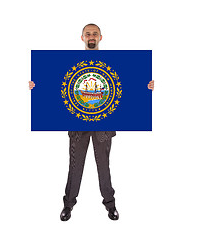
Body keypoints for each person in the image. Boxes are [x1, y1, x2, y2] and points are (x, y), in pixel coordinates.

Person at [29, 23, 154, 221]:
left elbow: (128, 84)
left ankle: (110, 205)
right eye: (88, 34)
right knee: (75, 165)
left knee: (103, 166)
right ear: (82, 38)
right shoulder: (70, 63)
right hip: (78, 123)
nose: (91, 36)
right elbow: (54, 85)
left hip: (104, 124)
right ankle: (68, 205)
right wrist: (37, 86)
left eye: (94, 33)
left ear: (101, 37)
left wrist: (145, 86)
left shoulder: (113, 62)